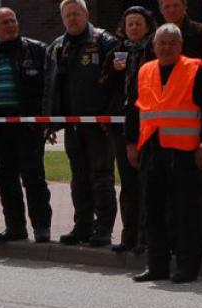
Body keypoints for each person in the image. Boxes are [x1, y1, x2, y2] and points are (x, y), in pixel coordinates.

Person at [126, 24, 202, 283]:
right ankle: (156, 265)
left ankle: (187, 266)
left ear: (180, 46)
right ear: (154, 46)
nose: (166, 47)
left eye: (172, 43)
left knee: (185, 211)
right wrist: (131, 143)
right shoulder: (145, 71)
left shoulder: (194, 69)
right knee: (153, 211)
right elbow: (133, 110)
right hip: (152, 151)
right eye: (162, 43)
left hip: (185, 153)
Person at [0, 8, 52, 243]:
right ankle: (15, 227)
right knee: (5, 178)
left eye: (12, 21)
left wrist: (47, 122)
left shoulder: (37, 50)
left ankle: (42, 227)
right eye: (4, 22)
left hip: (29, 127)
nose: (10, 25)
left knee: (33, 176)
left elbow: (49, 89)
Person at [45, 0, 118, 247]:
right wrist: (50, 122)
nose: (72, 19)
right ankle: (82, 227)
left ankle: (104, 229)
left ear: (86, 14)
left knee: (101, 176)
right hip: (72, 125)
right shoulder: (57, 47)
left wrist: (109, 117)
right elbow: (51, 87)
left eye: (76, 14)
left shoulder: (104, 41)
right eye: (68, 15)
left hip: (99, 125)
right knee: (79, 178)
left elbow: (115, 84)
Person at [99, 5, 157, 254]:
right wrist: (114, 71)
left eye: (138, 24)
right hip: (120, 124)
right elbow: (102, 86)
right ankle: (128, 235)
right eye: (130, 24)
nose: (134, 28)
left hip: (148, 123)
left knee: (148, 183)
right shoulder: (116, 51)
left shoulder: (154, 49)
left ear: (147, 26)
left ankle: (146, 237)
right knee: (128, 182)